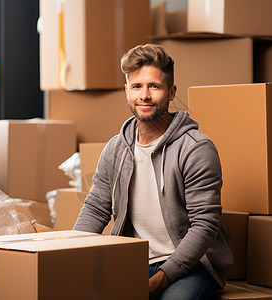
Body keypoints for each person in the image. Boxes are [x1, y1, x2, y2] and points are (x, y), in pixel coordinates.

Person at [73, 43, 233, 299]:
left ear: (171, 92)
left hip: (191, 266)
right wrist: (70, 255)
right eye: (137, 86)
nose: (144, 96)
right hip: (133, 261)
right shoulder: (116, 149)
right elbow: (96, 208)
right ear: (127, 91)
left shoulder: (195, 148)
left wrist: (161, 278)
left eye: (154, 86)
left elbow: (205, 225)